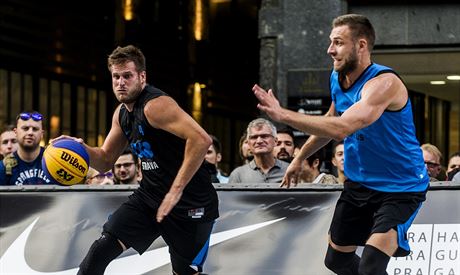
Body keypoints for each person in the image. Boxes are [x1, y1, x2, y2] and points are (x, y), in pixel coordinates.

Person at [252, 14, 429, 274]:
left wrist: (283, 115)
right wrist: (300, 158)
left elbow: (344, 127)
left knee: (371, 265)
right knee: (336, 261)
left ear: (361, 45)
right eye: (330, 42)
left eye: (338, 42)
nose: (329, 50)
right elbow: (331, 121)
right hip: (359, 184)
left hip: (400, 187)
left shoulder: (384, 84)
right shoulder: (337, 78)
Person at [53, 45, 219, 275]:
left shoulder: (155, 106)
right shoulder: (121, 114)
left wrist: (175, 190)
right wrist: (78, 148)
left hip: (190, 203)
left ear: (142, 77)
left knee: (185, 272)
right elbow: (104, 161)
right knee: (99, 252)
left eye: (127, 76)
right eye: (116, 76)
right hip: (149, 199)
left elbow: (201, 139)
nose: (121, 82)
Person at [228, 118, 289, 183]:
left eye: (264, 136)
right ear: (249, 143)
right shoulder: (238, 175)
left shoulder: (290, 170)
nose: (259, 141)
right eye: (254, 137)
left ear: (275, 141)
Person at [0, 111, 52, 185]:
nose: (30, 132)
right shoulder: (4, 167)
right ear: (16, 132)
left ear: (42, 134)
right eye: (25, 128)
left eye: (35, 129)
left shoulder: (54, 159)